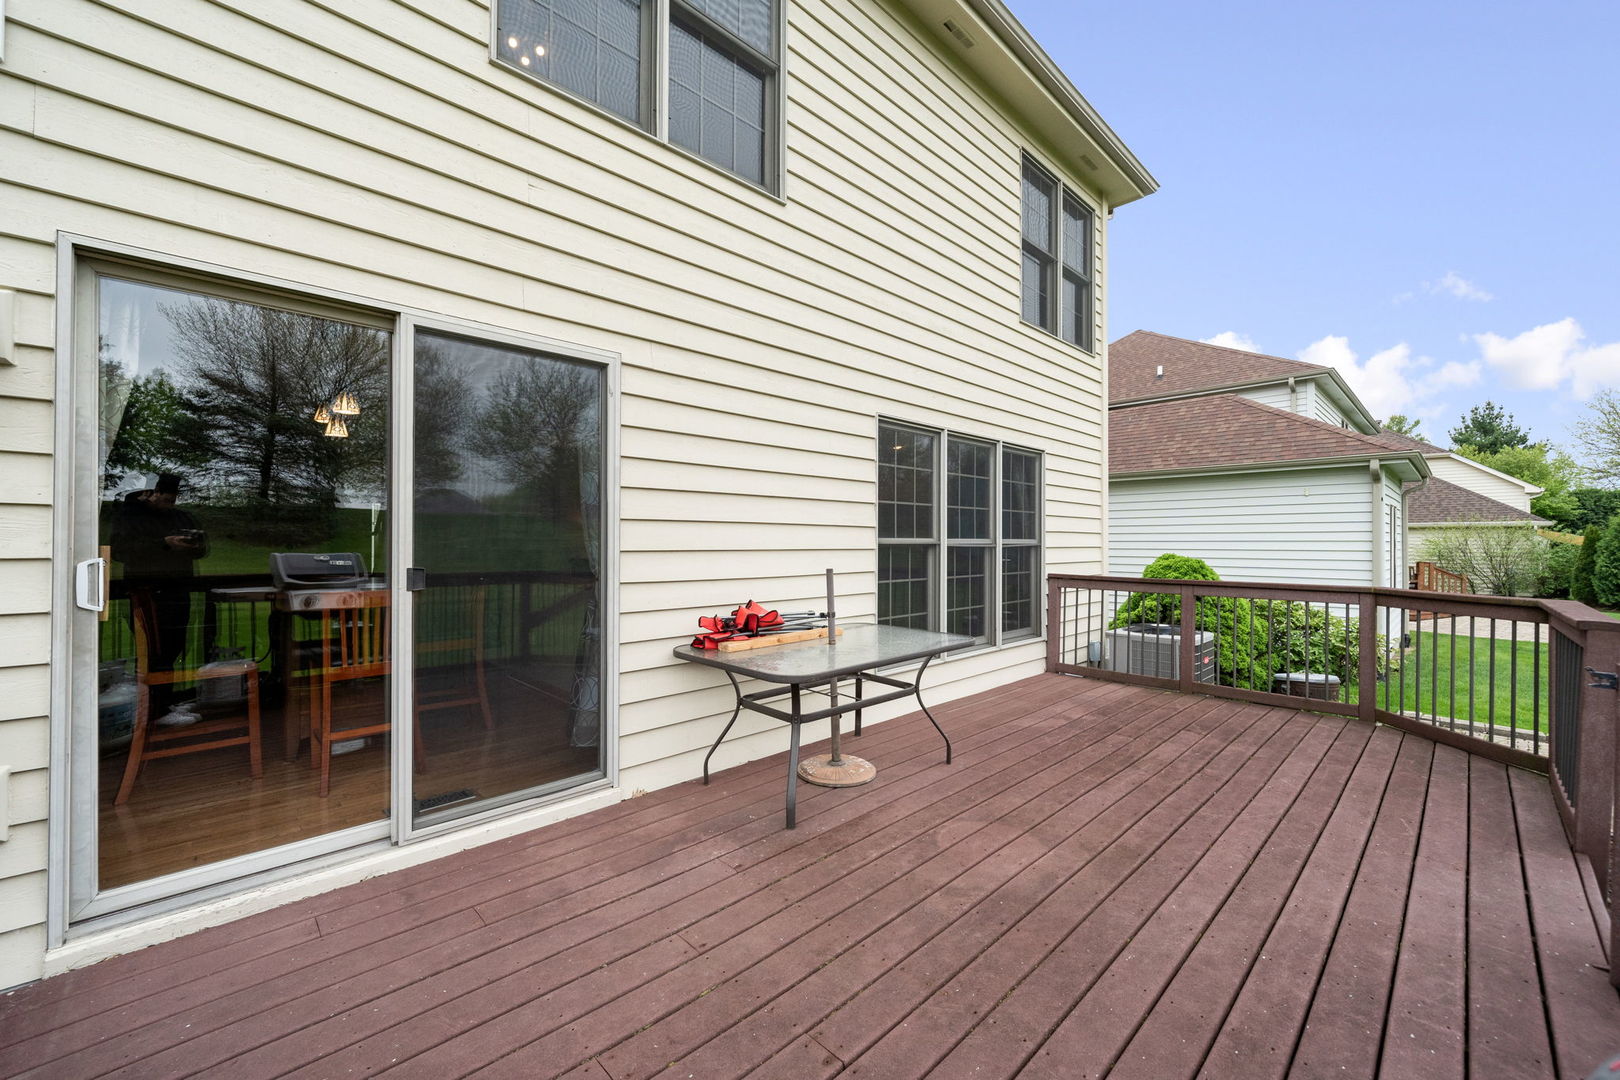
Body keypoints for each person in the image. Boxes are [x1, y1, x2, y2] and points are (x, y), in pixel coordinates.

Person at [110, 473, 209, 726]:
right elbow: (121, 550)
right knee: (154, 650)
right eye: (165, 497)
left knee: (173, 647)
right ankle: (154, 710)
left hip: (178, 590)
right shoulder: (130, 518)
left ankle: (164, 701)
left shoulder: (181, 516)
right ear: (149, 494)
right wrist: (164, 544)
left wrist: (193, 545)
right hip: (148, 594)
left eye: (173, 497)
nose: (170, 501)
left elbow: (203, 547)